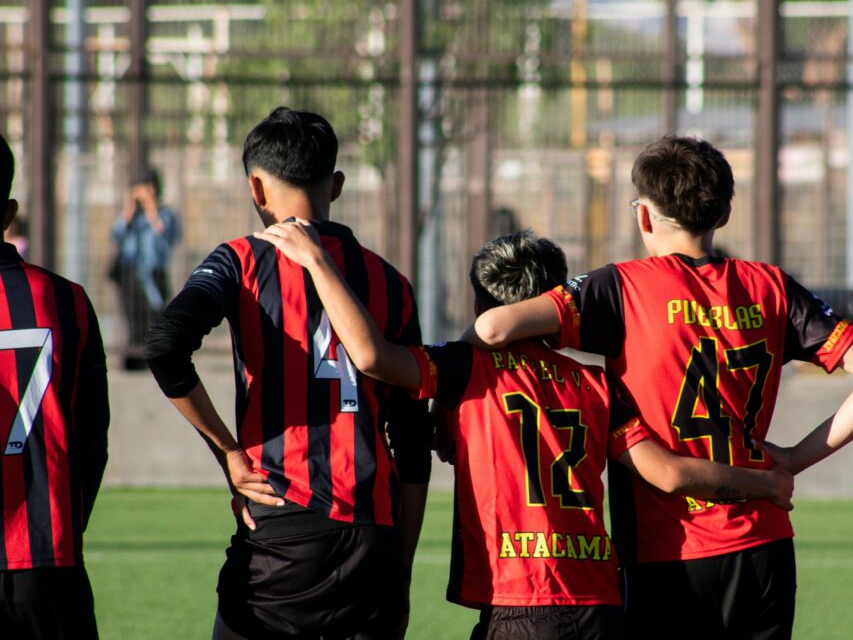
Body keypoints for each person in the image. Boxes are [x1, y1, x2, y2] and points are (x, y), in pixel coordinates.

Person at [255, 223, 795, 639]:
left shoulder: (464, 368)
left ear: (477, 302)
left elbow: (371, 356)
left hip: (522, 602)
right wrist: (764, 483)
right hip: (601, 606)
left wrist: (319, 262)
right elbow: (670, 474)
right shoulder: (596, 383)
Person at [465, 135, 853, 638]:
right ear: (723, 215)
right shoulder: (771, 286)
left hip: (667, 550)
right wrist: (792, 458)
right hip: (762, 542)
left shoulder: (620, 287)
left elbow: (494, 329)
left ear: (644, 217)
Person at [143, 107, 432, 639]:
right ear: (337, 185)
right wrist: (400, 564)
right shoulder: (392, 282)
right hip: (376, 533)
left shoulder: (240, 260)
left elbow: (164, 346)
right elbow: (413, 443)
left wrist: (228, 450)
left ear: (256, 188)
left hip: (283, 523)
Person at [0, 133, 110, 638]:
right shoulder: (68, 301)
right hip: (50, 563)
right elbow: (93, 439)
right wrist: (64, 524)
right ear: (10, 212)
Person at [110, 167, 179, 370]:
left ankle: (154, 360)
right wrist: (128, 212)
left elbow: (165, 237)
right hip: (129, 274)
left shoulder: (165, 214)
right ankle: (133, 361)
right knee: (131, 318)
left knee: (155, 318)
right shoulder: (131, 216)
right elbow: (116, 236)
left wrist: (151, 208)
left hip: (153, 274)